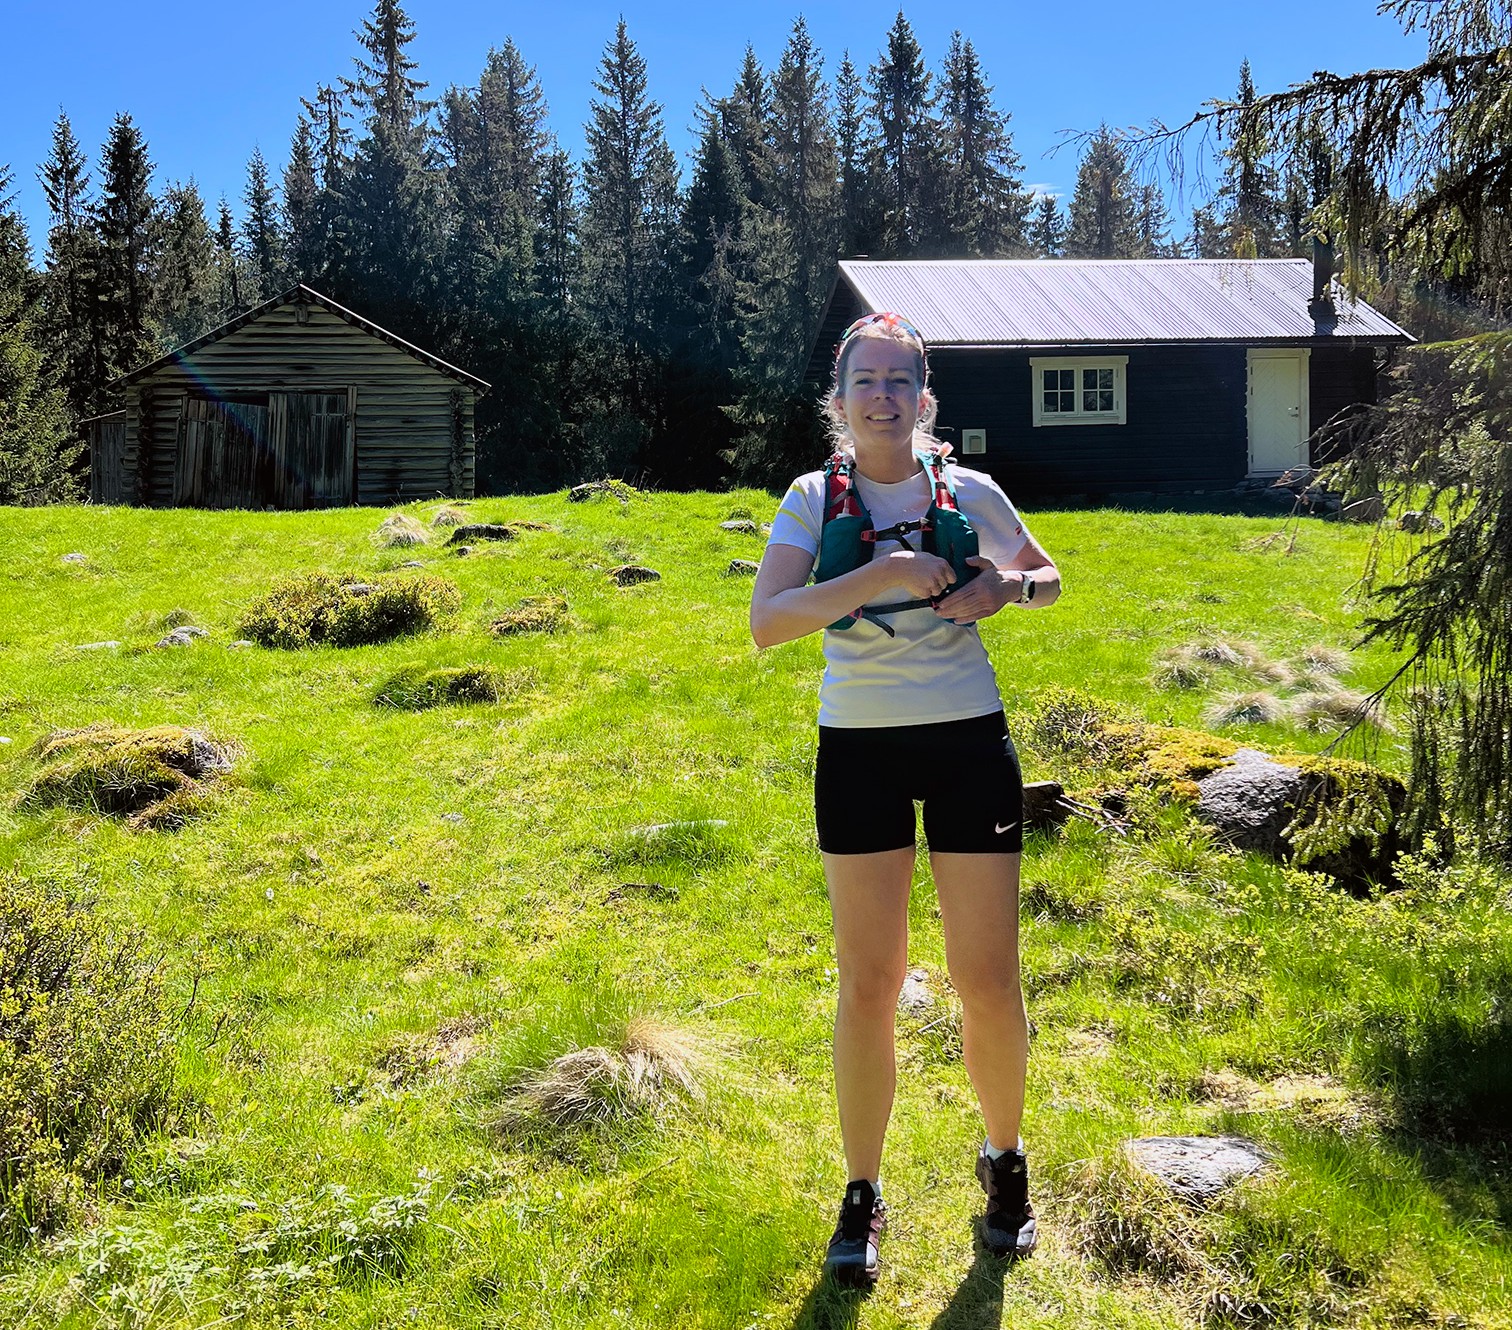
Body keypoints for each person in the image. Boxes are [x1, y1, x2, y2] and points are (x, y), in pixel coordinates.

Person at [749, 312, 1061, 1288]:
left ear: (923, 400)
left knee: (987, 977)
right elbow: (768, 623)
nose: (882, 397)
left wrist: (1006, 591)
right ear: (840, 400)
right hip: (860, 751)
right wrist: (881, 572)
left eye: (899, 381)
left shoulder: (970, 488)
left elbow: (1048, 576)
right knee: (870, 982)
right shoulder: (812, 498)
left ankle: (1004, 1161)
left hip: (969, 743)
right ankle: (862, 1190)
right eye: (865, 381)